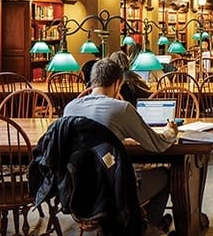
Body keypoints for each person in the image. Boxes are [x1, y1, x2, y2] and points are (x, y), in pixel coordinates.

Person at [63, 59, 178, 234]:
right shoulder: (121, 109)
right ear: (118, 83)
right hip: (115, 191)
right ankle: (144, 227)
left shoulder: (69, 109)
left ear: (93, 81)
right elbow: (157, 144)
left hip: (78, 192)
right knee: (166, 176)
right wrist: (171, 131)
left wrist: (119, 141)